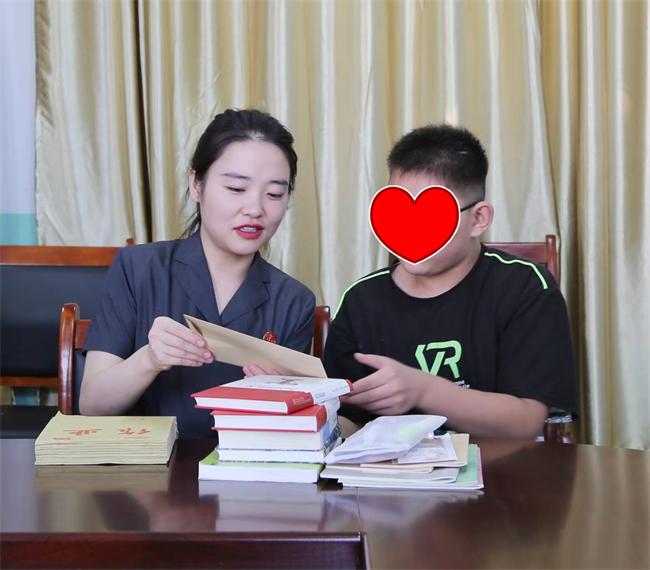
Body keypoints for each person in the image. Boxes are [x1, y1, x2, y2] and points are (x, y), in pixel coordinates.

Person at [324, 124, 578, 439]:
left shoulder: (525, 287)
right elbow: (345, 417)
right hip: (384, 470)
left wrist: (422, 390)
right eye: (397, 214)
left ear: (479, 219)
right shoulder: (361, 300)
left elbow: (526, 422)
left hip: (502, 468)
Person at [80, 109, 315, 437]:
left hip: (244, 465)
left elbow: (296, 429)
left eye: (274, 194)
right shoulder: (138, 269)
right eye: (236, 188)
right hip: (149, 466)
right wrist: (150, 359)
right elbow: (92, 405)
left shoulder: (294, 300)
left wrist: (282, 400)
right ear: (196, 185)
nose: (255, 209)